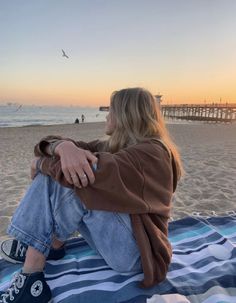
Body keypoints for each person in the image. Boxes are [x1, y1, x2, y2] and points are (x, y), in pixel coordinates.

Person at [0, 88, 182, 303]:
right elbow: (53, 147)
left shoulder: (153, 153)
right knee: (70, 170)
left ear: (125, 115)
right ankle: (51, 245)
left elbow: (85, 172)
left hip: (139, 255)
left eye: (111, 110)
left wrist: (41, 164)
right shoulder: (115, 145)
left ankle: (32, 273)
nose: (106, 115)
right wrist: (63, 146)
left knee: (74, 179)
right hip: (122, 243)